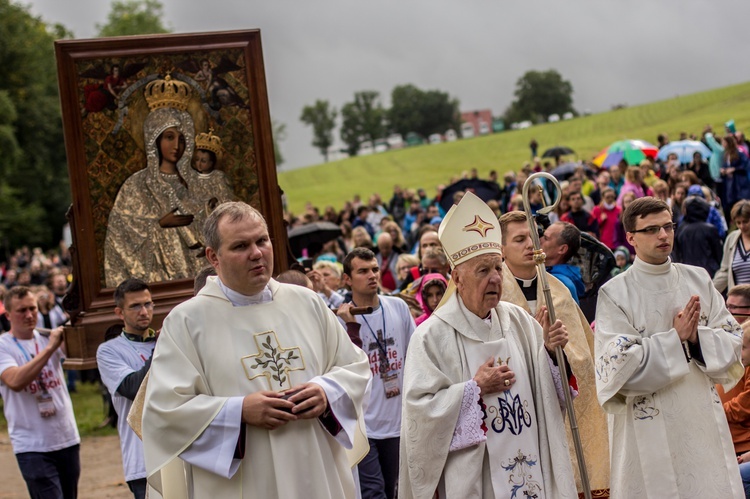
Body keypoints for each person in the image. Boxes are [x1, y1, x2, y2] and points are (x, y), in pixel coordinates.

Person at [142, 201, 370, 498]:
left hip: (314, 470)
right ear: (214, 256)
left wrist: (326, 391)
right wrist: (238, 412)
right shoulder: (187, 321)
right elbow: (164, 412)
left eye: (262, 241)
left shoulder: (307, 302)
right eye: (240, 246)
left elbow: (355, 368)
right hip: (244, 482)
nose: (256, 253)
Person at [399, 191, 577, 498]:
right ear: (457, 277)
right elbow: (419, 414)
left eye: (497, 268)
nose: (495, 278)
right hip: (475, 477)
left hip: (530, 458)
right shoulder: (430, 337)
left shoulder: (520, 322)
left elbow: (548, 395)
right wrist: (473, 389)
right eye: (483, 270)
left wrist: (549, 351)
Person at [595, 197, 744, 497]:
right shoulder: (614, 293)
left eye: (667, 227)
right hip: (646, 420)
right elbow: (616, 367)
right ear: (631, 237)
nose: (663, 236)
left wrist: (696, 339)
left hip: (698, 413)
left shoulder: (697, 278)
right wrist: (673, 340)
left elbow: (732, 336)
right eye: (651, 230)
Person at [499, 211, 610, 497]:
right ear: (501, 248)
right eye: (520, 239)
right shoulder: (494, 294)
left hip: (561, 409)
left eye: (534, 237)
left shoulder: (558, 290)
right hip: (517, 413)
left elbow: (584, 358)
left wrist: (551, 347)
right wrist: (534, 341)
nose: (530, 245)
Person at [104, 74, 204, 287]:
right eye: (169, 137)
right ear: (154, 140)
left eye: (182, 138)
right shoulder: (136, 185)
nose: (176, 145)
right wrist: (158, 224)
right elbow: (119, 237)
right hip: (157, 286)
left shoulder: (197, 182)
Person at [337, 247, 415, 499]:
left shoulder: (397, 307)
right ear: (347, 279)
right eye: (362, 271)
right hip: (364, 423)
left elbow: (414, 353)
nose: (372, 275)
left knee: (395, 488)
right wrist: (351, 326)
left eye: (374, 269)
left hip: (397, 420)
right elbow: (345, 365)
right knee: (373, 492)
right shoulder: (340, 319)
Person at [0, 286, 80, 499]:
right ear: (7, 315)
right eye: (21, 310)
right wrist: (50, 349)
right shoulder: (3, 346)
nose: (29, 315)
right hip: (31, 445)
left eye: (32, 309)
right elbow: (15, 381)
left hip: (66, 437)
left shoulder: (49, 337)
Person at [96, 278, 157, 499]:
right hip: (143, 461)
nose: (144, 311)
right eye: (135, 306)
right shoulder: (109, 351)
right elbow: (134, 388)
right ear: (119, 312)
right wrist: (163, 346)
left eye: (148, 304)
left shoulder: (162, 342)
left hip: (179, 452)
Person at [673, 196, 722, 277]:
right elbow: (718, 254)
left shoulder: (681, 229)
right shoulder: (710, 229)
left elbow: (677, 253)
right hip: (709, 272)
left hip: (688, 272)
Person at [715, 200, 750, 294]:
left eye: (745, 222)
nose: (742, 226)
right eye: (738, 223)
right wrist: (709, 290)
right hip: (739, 302)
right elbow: (724, 273)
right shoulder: (732, 239)